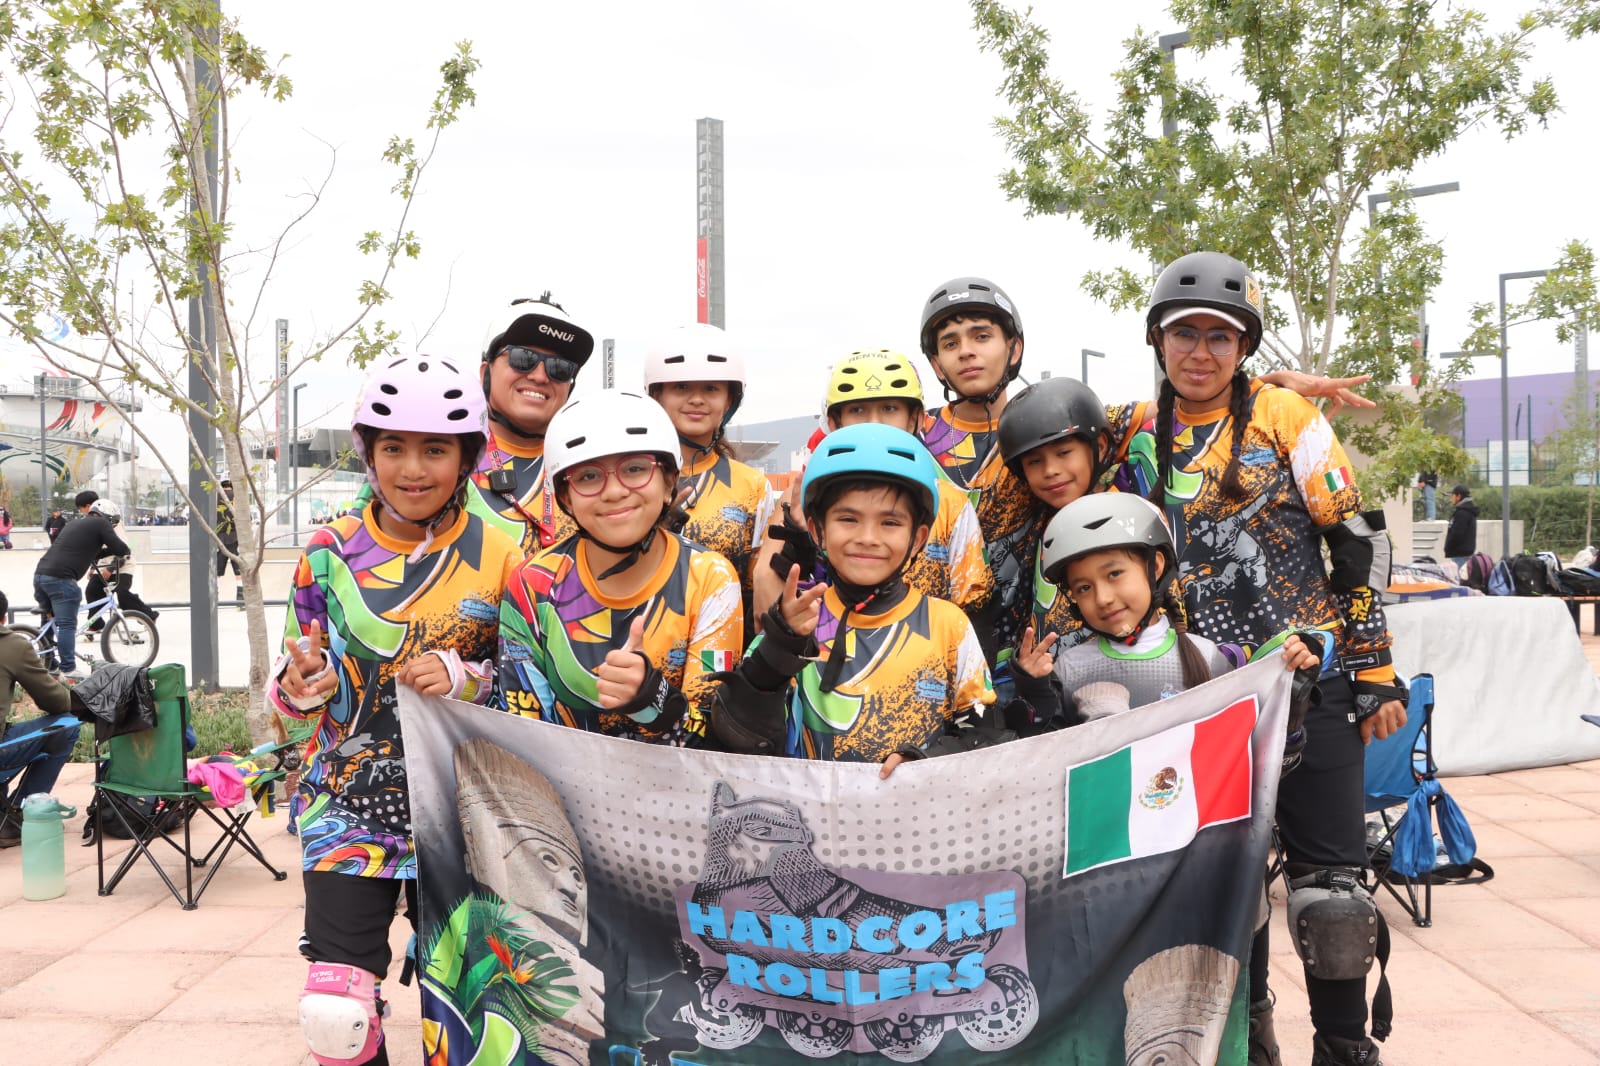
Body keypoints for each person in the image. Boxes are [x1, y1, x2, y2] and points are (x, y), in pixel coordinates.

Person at [1108, 251, 1407, 1066]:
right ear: (1157, 341)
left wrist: (1376, 667)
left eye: (1221, 337)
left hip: (1308, 680)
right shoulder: (1133, 429)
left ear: (1244, 347)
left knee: (1333, 901)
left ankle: (1345, 1050)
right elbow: (1039, 438)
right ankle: (1253, 1038)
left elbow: (1352, 543)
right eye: (1184, 335)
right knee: (1228, 898)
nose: (1200, 353)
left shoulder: (1286, 419)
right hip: (1198, 696)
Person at [268, 355, 523, 1066]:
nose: (413, 468)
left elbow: (534, 692)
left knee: (483, 1023)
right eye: (393, 448)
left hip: (467, 812)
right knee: (333, 1016)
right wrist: (300, 687)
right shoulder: (326, 555)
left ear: (469, 456)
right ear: (368, 454)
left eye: (436, 449)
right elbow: (290, 701)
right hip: (348, 809)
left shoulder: (507, 552)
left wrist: (467, 677)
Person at [710, 423, 998, 774]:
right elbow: (736, 733)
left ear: (918, 538)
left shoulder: (948, 625)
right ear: (817, 530)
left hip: (919, 821)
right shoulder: (797, 619)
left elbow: (983, 725)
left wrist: (928, 758)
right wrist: (779, 650)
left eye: (890, 523)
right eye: (848, 519)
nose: (867, 538)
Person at [497, 391, 743, 746]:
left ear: (669, 482)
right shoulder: (532, 584)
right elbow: (523, 725)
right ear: (565, 497)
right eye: (588, 476)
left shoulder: (711, 579)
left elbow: (711, 735)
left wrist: (651, 699)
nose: (613, 492)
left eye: (635, 469)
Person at [755, 348, 993, 629]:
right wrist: (799, 541)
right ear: (834, 422)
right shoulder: (801, 495)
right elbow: (764, 611)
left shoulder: (951, 503)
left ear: (915, 418)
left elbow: (973, 609)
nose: (874, 422)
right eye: (858, 410)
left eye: (889, 409)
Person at [1027, 492, 1319, 718]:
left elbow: (1250, 755)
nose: (1102, 598)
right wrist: (1035, 690)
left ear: (1154, 567)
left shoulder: (1207, 657)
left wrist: (1292, 695)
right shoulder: (1070, 667)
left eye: (1114, 574)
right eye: (1084, 588)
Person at [994, 374, 1115, 720]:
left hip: (1122, 690)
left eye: (1064, 453)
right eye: (1034, 462)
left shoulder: (1129, 517)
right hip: (1050, 698)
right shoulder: (1033, 527)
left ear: (1101, 448)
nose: (1051, 471)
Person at [643, 323, 774, 642]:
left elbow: (757, 588)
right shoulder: (632, 477)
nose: (697, 399)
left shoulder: (752, 486)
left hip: (724, 655)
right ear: (657, 395)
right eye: (682, 387)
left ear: (730, 400)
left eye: (711, 389)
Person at [469, 293, 595, 554]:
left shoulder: (591, 466)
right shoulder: (445, 458)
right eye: (522, 358)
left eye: (559, 368)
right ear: (486, 372)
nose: (539, 376)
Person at [0, 588, 79, 847]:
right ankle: (18, 816)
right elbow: (54, 701)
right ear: (3, 618)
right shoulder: (11, 645)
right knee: (67, 725)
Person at [31, 492, 131, 680]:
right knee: (68, 623)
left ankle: (50, 664)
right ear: (107, 516)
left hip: (40, 576)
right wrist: (125, 551)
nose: (112, 526)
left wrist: (102, 555)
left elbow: (89, 553)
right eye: (113, 522)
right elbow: (119, 547)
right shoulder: (101, 523)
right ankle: (68, 669)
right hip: (60, 579)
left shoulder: (75, 524)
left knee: (49, 621)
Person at [1443, 484, 1478, 563]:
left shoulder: (1462, 513)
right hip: (1461, 554)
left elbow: (1457, 534)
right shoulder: (1465, 511)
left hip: (1460, 555)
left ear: (1458, 496)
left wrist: (1449, 546)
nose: (1451, 498)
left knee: (1459, 575)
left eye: (1453, 495)